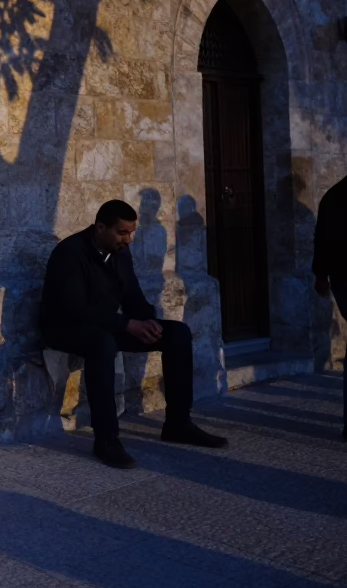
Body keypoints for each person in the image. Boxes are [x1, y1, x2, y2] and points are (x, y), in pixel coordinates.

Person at [40, 199, 227, 469]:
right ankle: (106, 440)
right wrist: (127, 325)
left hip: (106, 325)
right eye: (122, 232)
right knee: (102, 345)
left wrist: (148, 322)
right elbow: (74, 309)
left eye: (131, 232)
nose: (128, 239)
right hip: (64, 327)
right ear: (100, 227)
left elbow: (132, 296)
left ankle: (178, 424)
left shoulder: (119, 251)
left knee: (177, 334)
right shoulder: (69, 252)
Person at [313, 152, 347, 440]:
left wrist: (321, 276)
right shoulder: (335, 197)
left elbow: (321, 239)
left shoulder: (333, 196)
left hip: (341, 278)